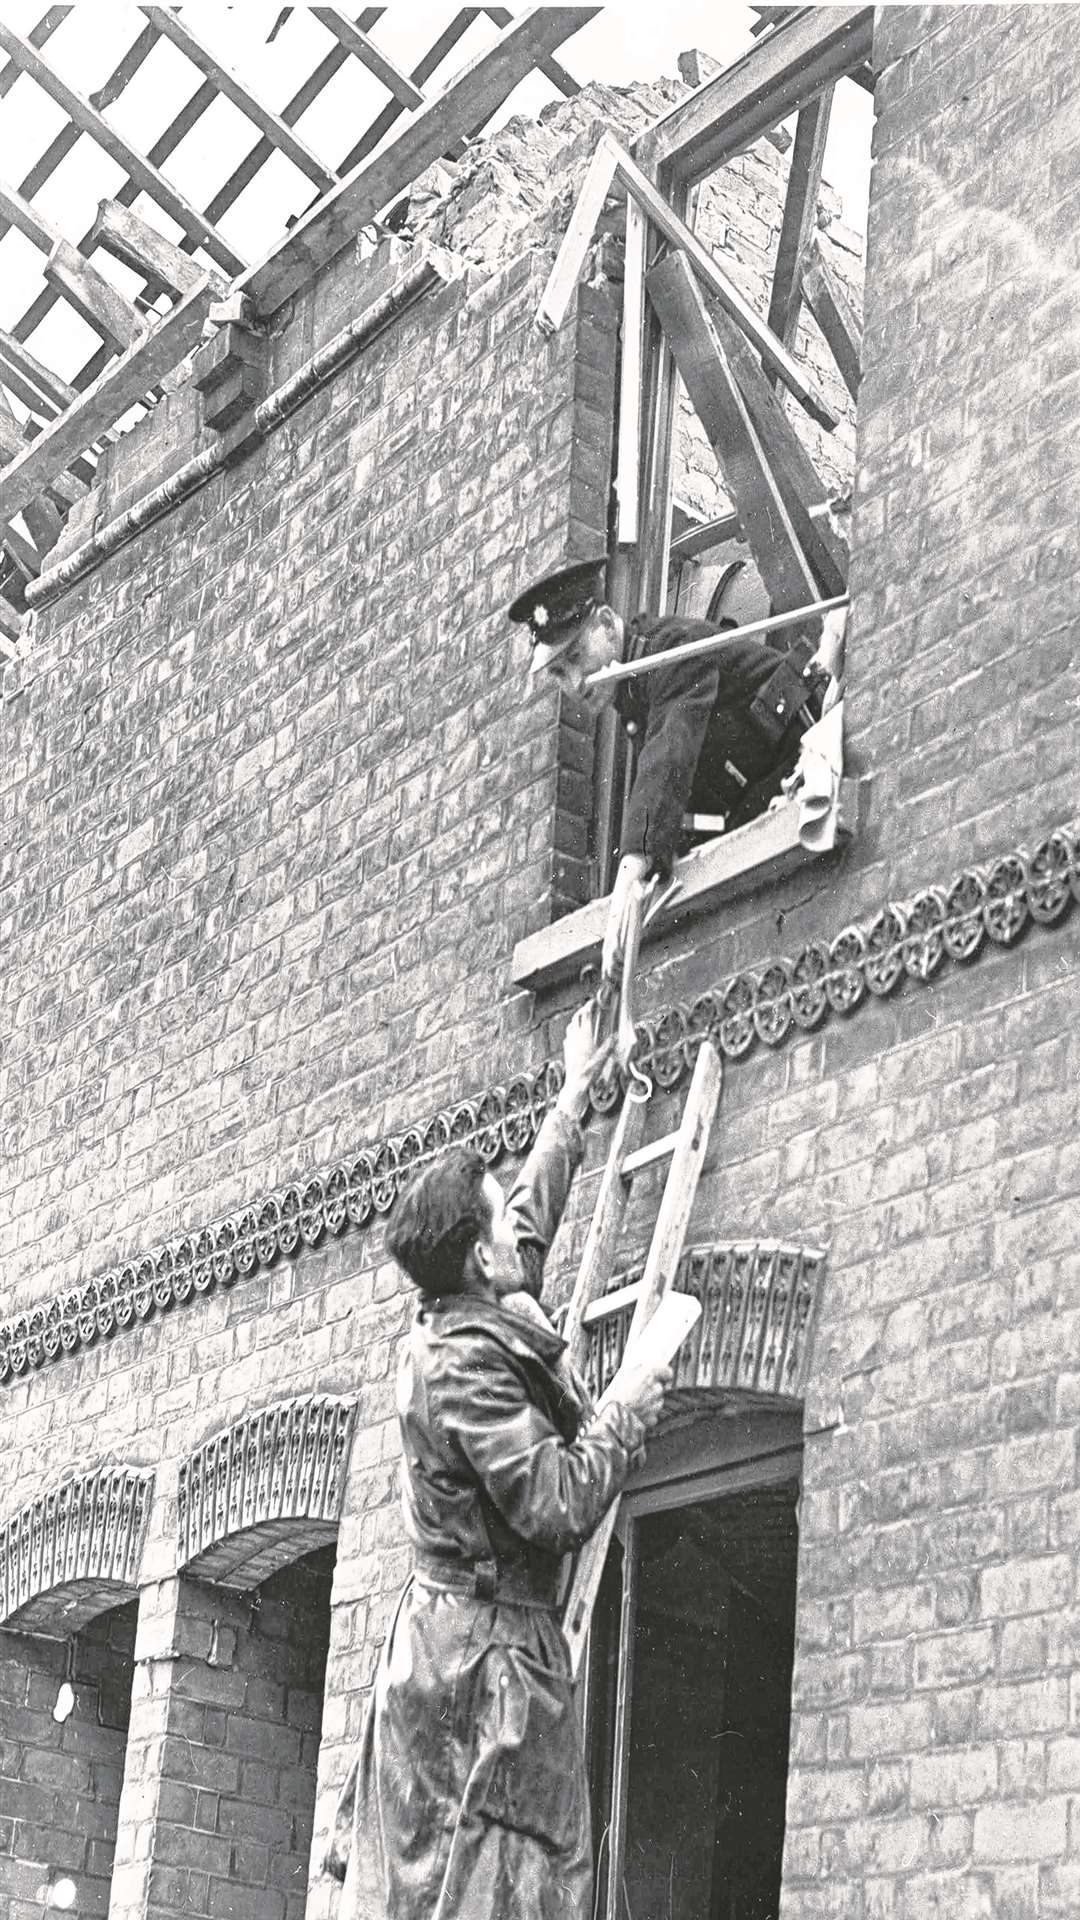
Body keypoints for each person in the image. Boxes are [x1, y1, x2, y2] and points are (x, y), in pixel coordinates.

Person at [326, 1004, 672, 1920]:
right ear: (473, 1258)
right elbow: (557, 1502)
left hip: (464, 1641)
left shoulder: (467, 1293)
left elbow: (523, 1225)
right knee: (484, 1885)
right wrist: (626, 1409)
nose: (509, 1228)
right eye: (491, 1219)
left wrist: (574, 1095)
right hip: (480, 1667)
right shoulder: (460, 1372)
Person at [509, 552, 828, 970]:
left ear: (606, 624)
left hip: (809, 754)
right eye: (557, 674)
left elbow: (669, 750)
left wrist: (631, 867)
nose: (574, 683)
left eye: (575, 657)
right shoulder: (631, 696)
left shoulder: (671, 653)